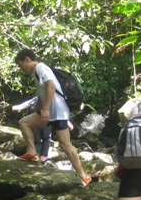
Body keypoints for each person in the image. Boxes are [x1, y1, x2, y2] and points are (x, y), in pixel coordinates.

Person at [14, 49, 91, 185]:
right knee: (24, 122)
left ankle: (82, 176)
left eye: (21, 65)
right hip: (51, 111)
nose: (21, 69)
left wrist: (44, 109)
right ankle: (32, 152)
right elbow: (41, 96)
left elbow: (51, 86)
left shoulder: (41, 67)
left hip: (57, 112)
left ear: (27, 59)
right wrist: (36, 110)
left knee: (65, 145)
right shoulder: (38, 72)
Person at [12, 96, 53, 165]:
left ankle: (42, 156)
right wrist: (20, 106)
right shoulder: (38, 97)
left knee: (46, 138)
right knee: (37, 139)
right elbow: (29, 103)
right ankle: (35, 155)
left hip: (46, 119)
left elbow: (59, 108)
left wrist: (66, 121)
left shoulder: (50, 96)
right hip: (38, 120)